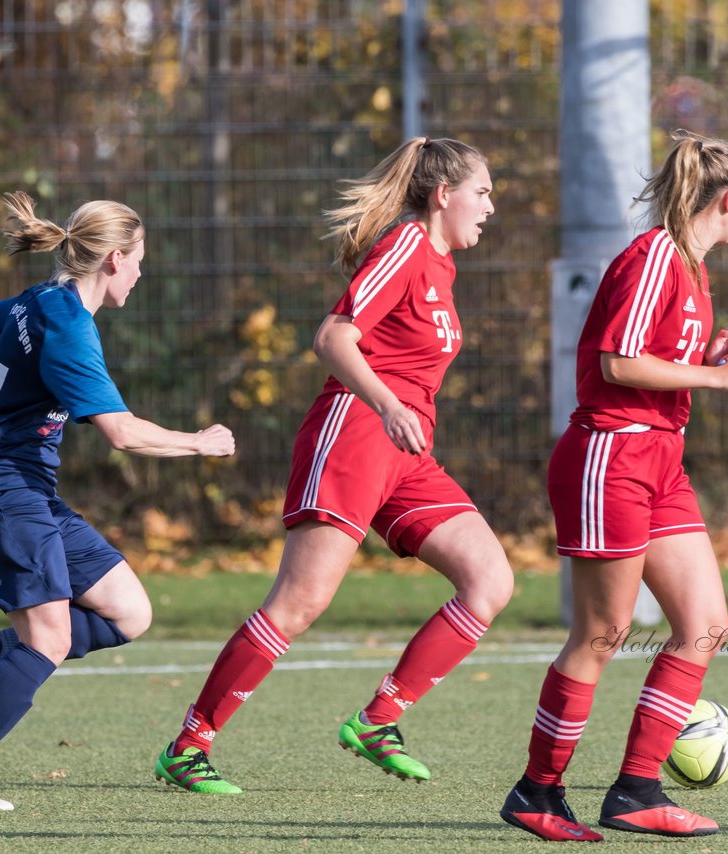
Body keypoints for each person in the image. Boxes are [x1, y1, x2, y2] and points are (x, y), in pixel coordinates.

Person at [152, 137, 514, 794]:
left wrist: (402, 417)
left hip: (405, 455)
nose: (491, 206)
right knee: (300, 602)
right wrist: (385, 404)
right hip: (355, 430)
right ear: (443, 195)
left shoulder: (441, 266)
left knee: (490, 580)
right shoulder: (406, 245)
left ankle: (379, 720)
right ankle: (189, 745)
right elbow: (332, 337)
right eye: (483, 192)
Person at [0, 191, 235, 810]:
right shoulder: (69, 329)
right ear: (114, 258)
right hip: (1, 485)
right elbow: (120, 431)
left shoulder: (41, 299)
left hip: (27, 486)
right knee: (48, 640)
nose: (142, 272)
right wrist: (198, 443)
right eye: (140, 258)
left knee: (129, 613)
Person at [499, 130, 728, 842]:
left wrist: (707, 353)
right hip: (610, 458)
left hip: (660, 463)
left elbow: (652, 352)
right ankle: (538, 792)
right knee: (603, 632)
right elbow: (618, 364)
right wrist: (716, 376)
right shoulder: (655, 255)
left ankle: (637, 791)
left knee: (704, 626)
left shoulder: (691, 268)